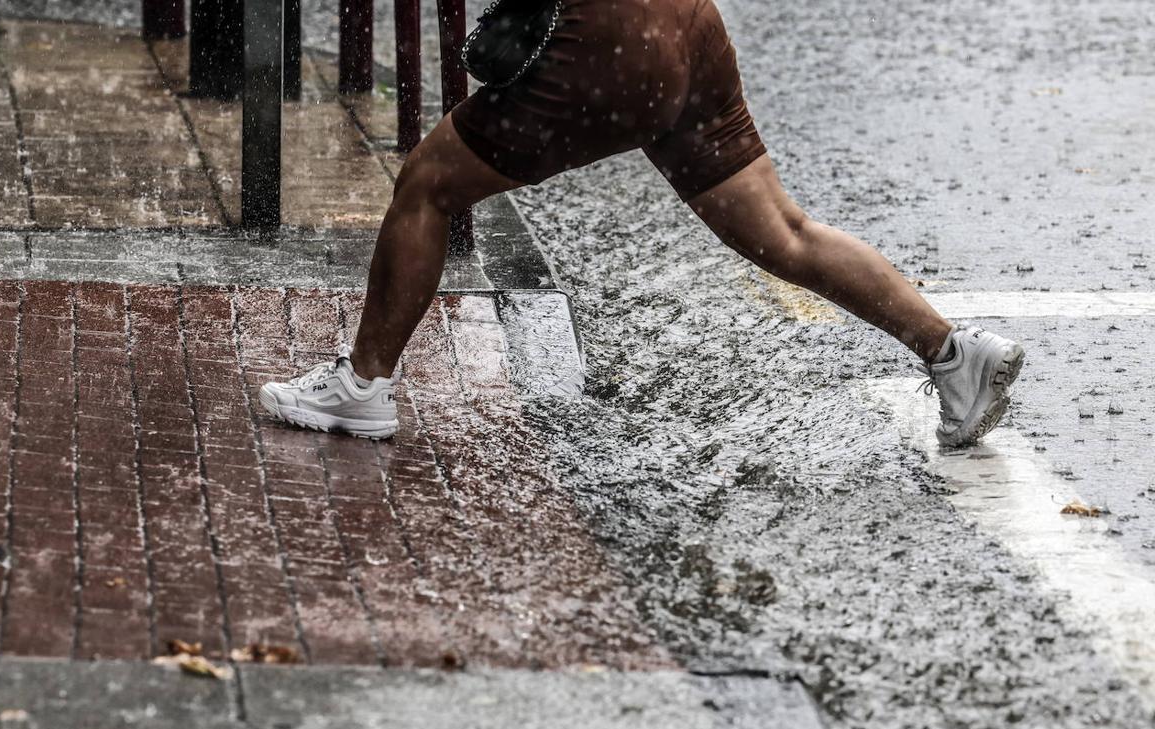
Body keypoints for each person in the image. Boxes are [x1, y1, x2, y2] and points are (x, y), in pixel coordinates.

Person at [259, 0, 1024, 448]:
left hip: (611, 40)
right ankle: (954, 353)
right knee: (782, 232)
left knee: (426, 186)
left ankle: (362, 386)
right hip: (687, 25)